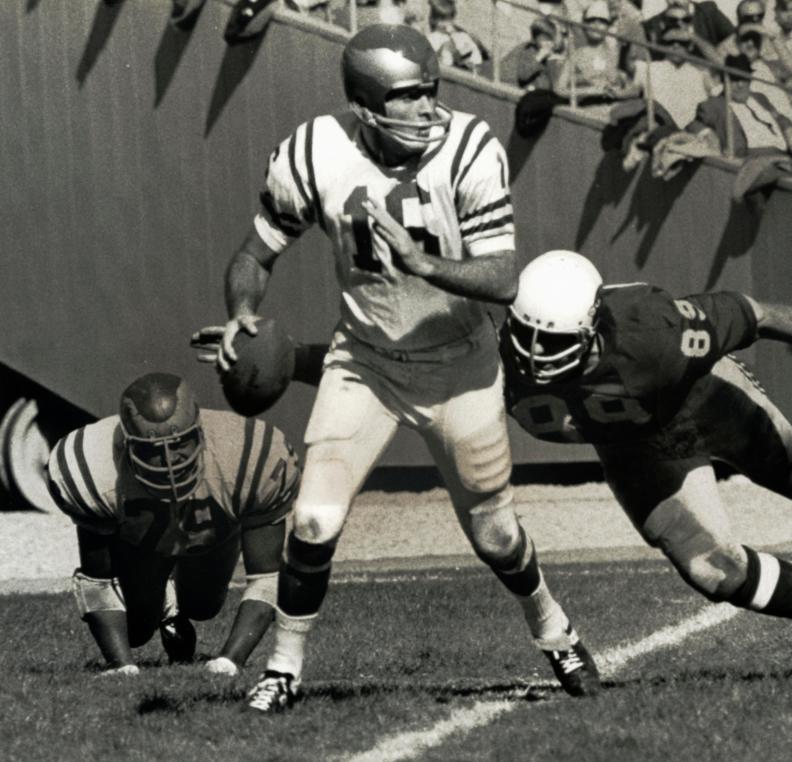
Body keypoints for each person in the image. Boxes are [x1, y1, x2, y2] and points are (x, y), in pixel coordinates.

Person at [216, 23, 599, 712]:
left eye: (433, 89)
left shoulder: (471, 146)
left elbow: (505, 278)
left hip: (461, 365)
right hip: (365, 362)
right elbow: (255, 252)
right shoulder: (315, 151)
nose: (430, 106)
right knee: (311, 522)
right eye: (411, 96)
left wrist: (422, 262)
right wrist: (244, 309)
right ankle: (284, 666)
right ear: (365, 107)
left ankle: (553, 625)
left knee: (496, 535)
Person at [500, 250, 792, 675]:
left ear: (594, 325)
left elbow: (757, 315)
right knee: (713, 569)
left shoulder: (653, 329)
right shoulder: (495, 360)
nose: (535, 354)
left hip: (700, 401)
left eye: (554, 341)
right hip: (629, 443)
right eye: (525, 332)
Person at [46, 372, 301, 676]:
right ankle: (165, 605)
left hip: (213, 536)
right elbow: (98, 580)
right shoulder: (93, 461)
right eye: (152, 449)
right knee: (136, 630)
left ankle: (180, 605)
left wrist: (230, 661)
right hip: (140, 542)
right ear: (127, 445)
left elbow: (267, 577)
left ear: (201, 432)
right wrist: (122, 667)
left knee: (203, 606)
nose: (170, 459)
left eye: (180, 443)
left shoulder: (247, 451)